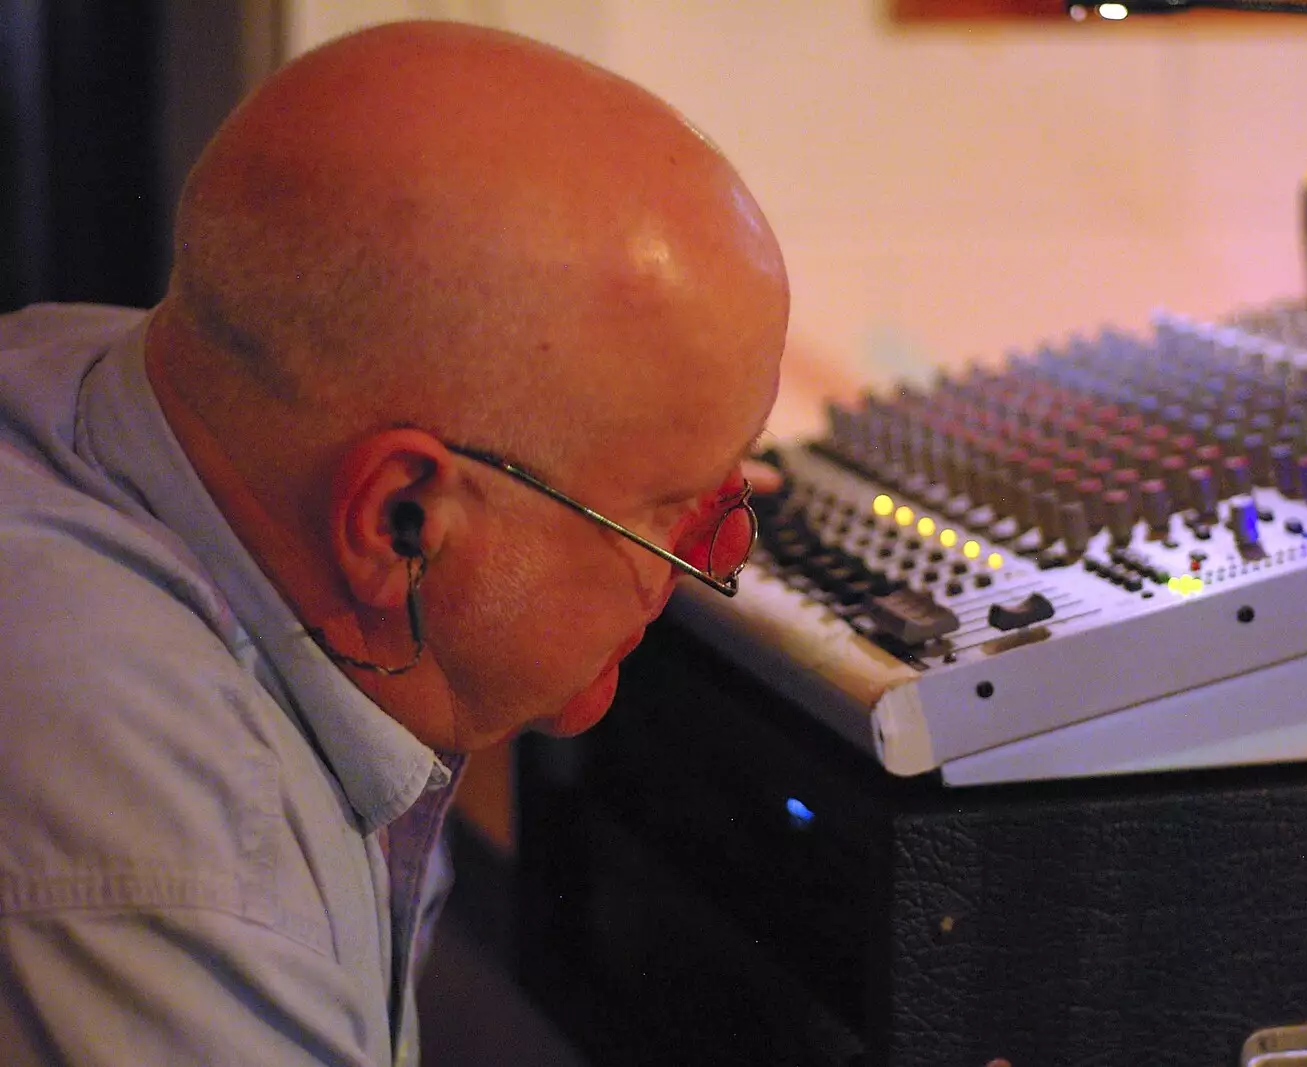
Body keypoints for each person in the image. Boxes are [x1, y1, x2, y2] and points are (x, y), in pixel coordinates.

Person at [0, 19, 788, 1067]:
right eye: (667, 506)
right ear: (397, 521)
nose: (716, 558)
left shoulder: (106, 373)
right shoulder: (179, 857)